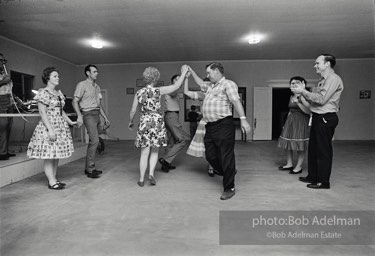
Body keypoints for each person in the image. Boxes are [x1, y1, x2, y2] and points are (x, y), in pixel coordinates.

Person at [189, 63, 251, 200]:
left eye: (208, 73)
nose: (207, 75)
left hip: (224, 125)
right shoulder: (210, 86)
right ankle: (229, 171)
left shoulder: (228, 84)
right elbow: (200, 82)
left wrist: (243, 119)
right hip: (210, 126)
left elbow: (236, 102)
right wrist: (191, 71)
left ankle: (229, 188)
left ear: (216, 71)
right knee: (210, 156)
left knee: (226, 156)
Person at [129, 65, 189, 187]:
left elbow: (133, 110)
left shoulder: (139, 92)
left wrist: (131, 121)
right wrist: (183, 73)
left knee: (144, 152)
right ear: (155, 79)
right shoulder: (158, 91)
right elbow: (176, 86)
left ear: (145, 78)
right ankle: (151, 174)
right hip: (156, 120)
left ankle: (141, 179)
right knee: (155, 150)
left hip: (145, 121)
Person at [291, 54, 344, 189]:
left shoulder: (333, 79)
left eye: (317, 63)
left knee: (323, 151)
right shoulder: (322, 80)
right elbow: (314, 101)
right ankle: (313, 177)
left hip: (325, 117)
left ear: (327, 64)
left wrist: (303, 91)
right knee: (314, 149)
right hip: (317, 116)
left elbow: (321, 99)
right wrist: (301, 94)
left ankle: (323, 182)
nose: (315, 66)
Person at [27, 67, 76, 190]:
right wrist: (50, 129)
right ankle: (51, 181)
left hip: (60, 125)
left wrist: (71, 122)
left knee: (56, 155)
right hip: (49, 125)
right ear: (48, 78)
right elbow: (42, 112)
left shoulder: (58, 93)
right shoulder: (43, 93)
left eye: (58, 76)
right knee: (49, 156)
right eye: (55, 76)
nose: (58, 78)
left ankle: (54, 178)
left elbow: (61, 111)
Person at [73, 64, 110, 179]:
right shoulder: (82, 85)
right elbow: (74, 101)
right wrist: (79, 115)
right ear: (88, 73)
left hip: (97, 113)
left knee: (94, 141)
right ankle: (90, 169)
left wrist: (105, 117)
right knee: (95, 140)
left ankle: (88, 168)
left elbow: (99, 105)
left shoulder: (97, 87)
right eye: (94, 71)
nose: (97, 73)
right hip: (88, 114)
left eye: (97, 71)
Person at [277, 76, 311, 174]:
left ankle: (298, 167)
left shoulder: (305, 96)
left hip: (301, 122)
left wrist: (298, 103)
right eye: (291, 83)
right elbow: (290, 110)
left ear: (303, 84)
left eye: (296, 83)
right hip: (290, 121)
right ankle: (289, 164)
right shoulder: (291, 96)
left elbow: (309, 111)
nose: (293, 85)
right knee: (288, 144)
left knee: (300, 145)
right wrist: (285, 123)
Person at [184, 75, 215, 177]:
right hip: (205, 122)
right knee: (208, 146)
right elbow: (186, 92)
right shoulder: (202, 94)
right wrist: (186, 78)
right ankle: (211, 167)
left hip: (216, 122)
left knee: (217, 146)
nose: (205, 87)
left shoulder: (217, 93)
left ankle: (214, 166)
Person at [158, 74, 190, 172]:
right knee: (182, 140)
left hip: (170, 116)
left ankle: (166, 165)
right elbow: (175, 89)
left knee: (171, 141)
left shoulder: (173, 89)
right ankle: (166, 160)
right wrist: (182, 78)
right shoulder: (171, 89)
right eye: (177, 79)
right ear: (172, 81)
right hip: (171, 116)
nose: (179, 80)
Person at [0, 71, 15, 160]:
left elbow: (9, 89)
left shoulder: (5, 75)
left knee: (8, 127)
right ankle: (2, 152)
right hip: (1, 101)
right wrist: (5, 80)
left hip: (9, 101)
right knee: (3, 126)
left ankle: (5, 150)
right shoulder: (6, 78)